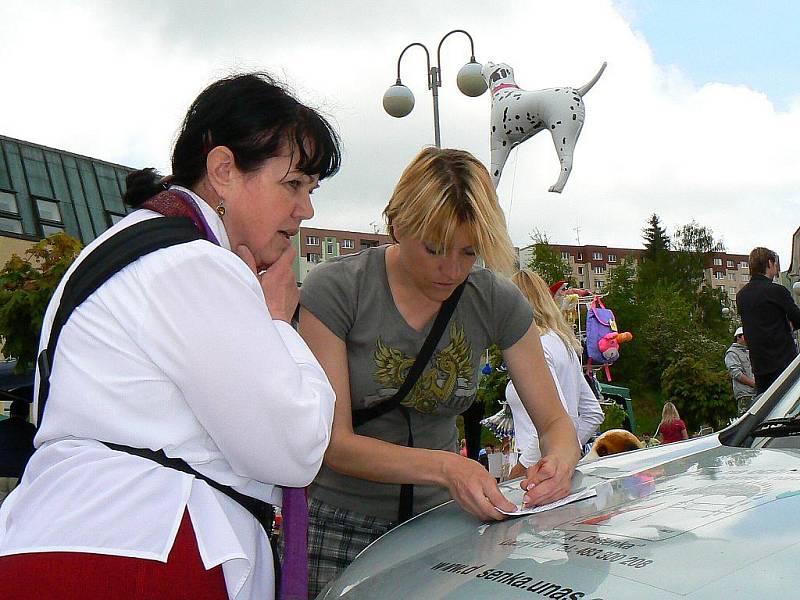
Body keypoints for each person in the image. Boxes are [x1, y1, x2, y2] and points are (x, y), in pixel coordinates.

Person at [0, 72, 340, 600]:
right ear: (224, 170)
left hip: (59, 537)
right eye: (293, 185)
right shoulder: (195, 264)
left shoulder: (126, 247)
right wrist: (277, 321)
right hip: (147, 554)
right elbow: (296, 447)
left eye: (311, 190)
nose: (307, 209)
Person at [298, 147, 581, 596]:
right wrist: (450, 468)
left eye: (470, 252)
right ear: (396, 225)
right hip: (340, 525)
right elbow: (335, 444)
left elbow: (555, 423)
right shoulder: (336, 289)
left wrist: (559, 464)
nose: (452, 270)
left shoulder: (495, 300)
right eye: (434, 248)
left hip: (446, 522)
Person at [505, 270, 604, 477]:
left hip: (533, 470)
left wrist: (522, 468)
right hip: (550, 468)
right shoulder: (563, 344)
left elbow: (561, 415)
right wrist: (565, 453)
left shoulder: (536, 347)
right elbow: (592, 413)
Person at [736, 247, 800, 394]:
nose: (776, 269)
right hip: (784, 362)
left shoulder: (741, 296)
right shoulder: (777, 291)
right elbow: (797, 319)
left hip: (760, 365)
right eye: (775, 264)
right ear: (769, 263)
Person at [0, 400, 36, 504]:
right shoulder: (30, 429)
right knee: (15, 506)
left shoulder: (1, 426)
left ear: (11, 412)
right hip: (19, 474)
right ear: (27, 414)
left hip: (1, 472)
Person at [725, 326, 756, 415]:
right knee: (746, 421)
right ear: (738, 337)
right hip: (745, 395)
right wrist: (753, 384)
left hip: (754, 393)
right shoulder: (732, 353)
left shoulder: (748, 351)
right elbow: (736, 373)